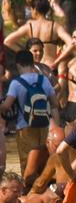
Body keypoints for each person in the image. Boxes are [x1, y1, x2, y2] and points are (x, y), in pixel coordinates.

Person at [0, 50, 61, 178]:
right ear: (32, 63)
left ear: (18, 65)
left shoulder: (16, 83)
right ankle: (41, 187)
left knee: (26, 162)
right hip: (43, 126)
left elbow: (6, 106)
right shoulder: (43, 80)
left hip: (24, 127)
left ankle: (27, 191)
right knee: (42, 159)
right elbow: (55, 103)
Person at [3, 0, 73, 68]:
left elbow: (7, 41)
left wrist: (26, 54)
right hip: (50, 66)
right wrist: (57, 61)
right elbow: (72, 43)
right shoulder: (55, 26)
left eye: (31, 9)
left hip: (35, 66)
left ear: (35, 10)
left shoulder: (29, 26)